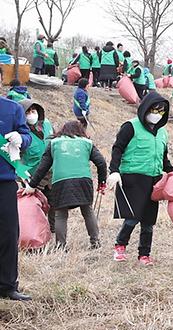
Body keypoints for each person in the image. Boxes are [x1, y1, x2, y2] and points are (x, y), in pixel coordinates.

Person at [107, 92, 173, 265]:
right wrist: (113, 171)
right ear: (145, 108)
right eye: (154, 110)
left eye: (161, 112)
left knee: (148, 221)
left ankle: (144, 254)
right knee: (132, 216)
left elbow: (163, 157)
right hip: (133, 178)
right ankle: (120, 246)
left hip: (154, 180)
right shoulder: (130, 127)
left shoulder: (162, 133)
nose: (157, 114)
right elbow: (117, 149)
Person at [24, 120, 107, 250]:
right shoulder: (87, 143)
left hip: (60, 182)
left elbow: (42, 167)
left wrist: (32, 185)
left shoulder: (54, 143)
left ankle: (61, 246)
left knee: (60, 214)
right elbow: (101, 163)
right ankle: (95, 242)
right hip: (83, 181)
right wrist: (102, 182)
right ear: (80, 131)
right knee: (87, 211)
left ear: (62, 131)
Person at [0, 96, 32, 301]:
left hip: (4, 181)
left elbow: (27, 136)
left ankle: (7, 285)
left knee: (8, 234)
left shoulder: (12, 109)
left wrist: (21, 140)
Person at [18, 99, 55, 232]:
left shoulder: (47, 125)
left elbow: (55, 142)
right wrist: (23, 176)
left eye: (33, 111)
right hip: (33, 177)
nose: (31, 114)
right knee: (35, 208)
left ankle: (52, 231)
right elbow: (14, 158)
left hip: (51, 173)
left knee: (53, 205)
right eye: (27, 112)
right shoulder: (20, 133)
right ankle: (37, 234)